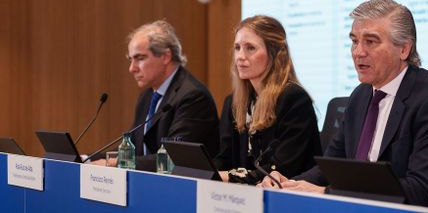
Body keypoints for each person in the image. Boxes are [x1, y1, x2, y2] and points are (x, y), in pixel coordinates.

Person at [259, 0, 428, 209]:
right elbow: (331, 167)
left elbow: (419, 191)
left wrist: (328, 193)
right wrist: (286, 184)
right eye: (354, 41)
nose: (358, 52)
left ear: (404, 49)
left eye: (371, 41)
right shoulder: (361, 96)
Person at [94, 19, 219, 171]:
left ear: (165, 57)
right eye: (130, 59)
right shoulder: (147, 96)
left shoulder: (193, 97)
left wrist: (113, 163)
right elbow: (133, 149)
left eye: (140, 58)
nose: (132, 68)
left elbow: (172, 158)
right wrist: (86, 158)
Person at [213, 15, 322, 184]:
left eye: (250, 48)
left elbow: (280, 172)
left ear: (274, 53)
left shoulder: (294, 99)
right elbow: (224, 159)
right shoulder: (233, 102)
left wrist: (223, 176)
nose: (240, 56)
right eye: (237, 48)